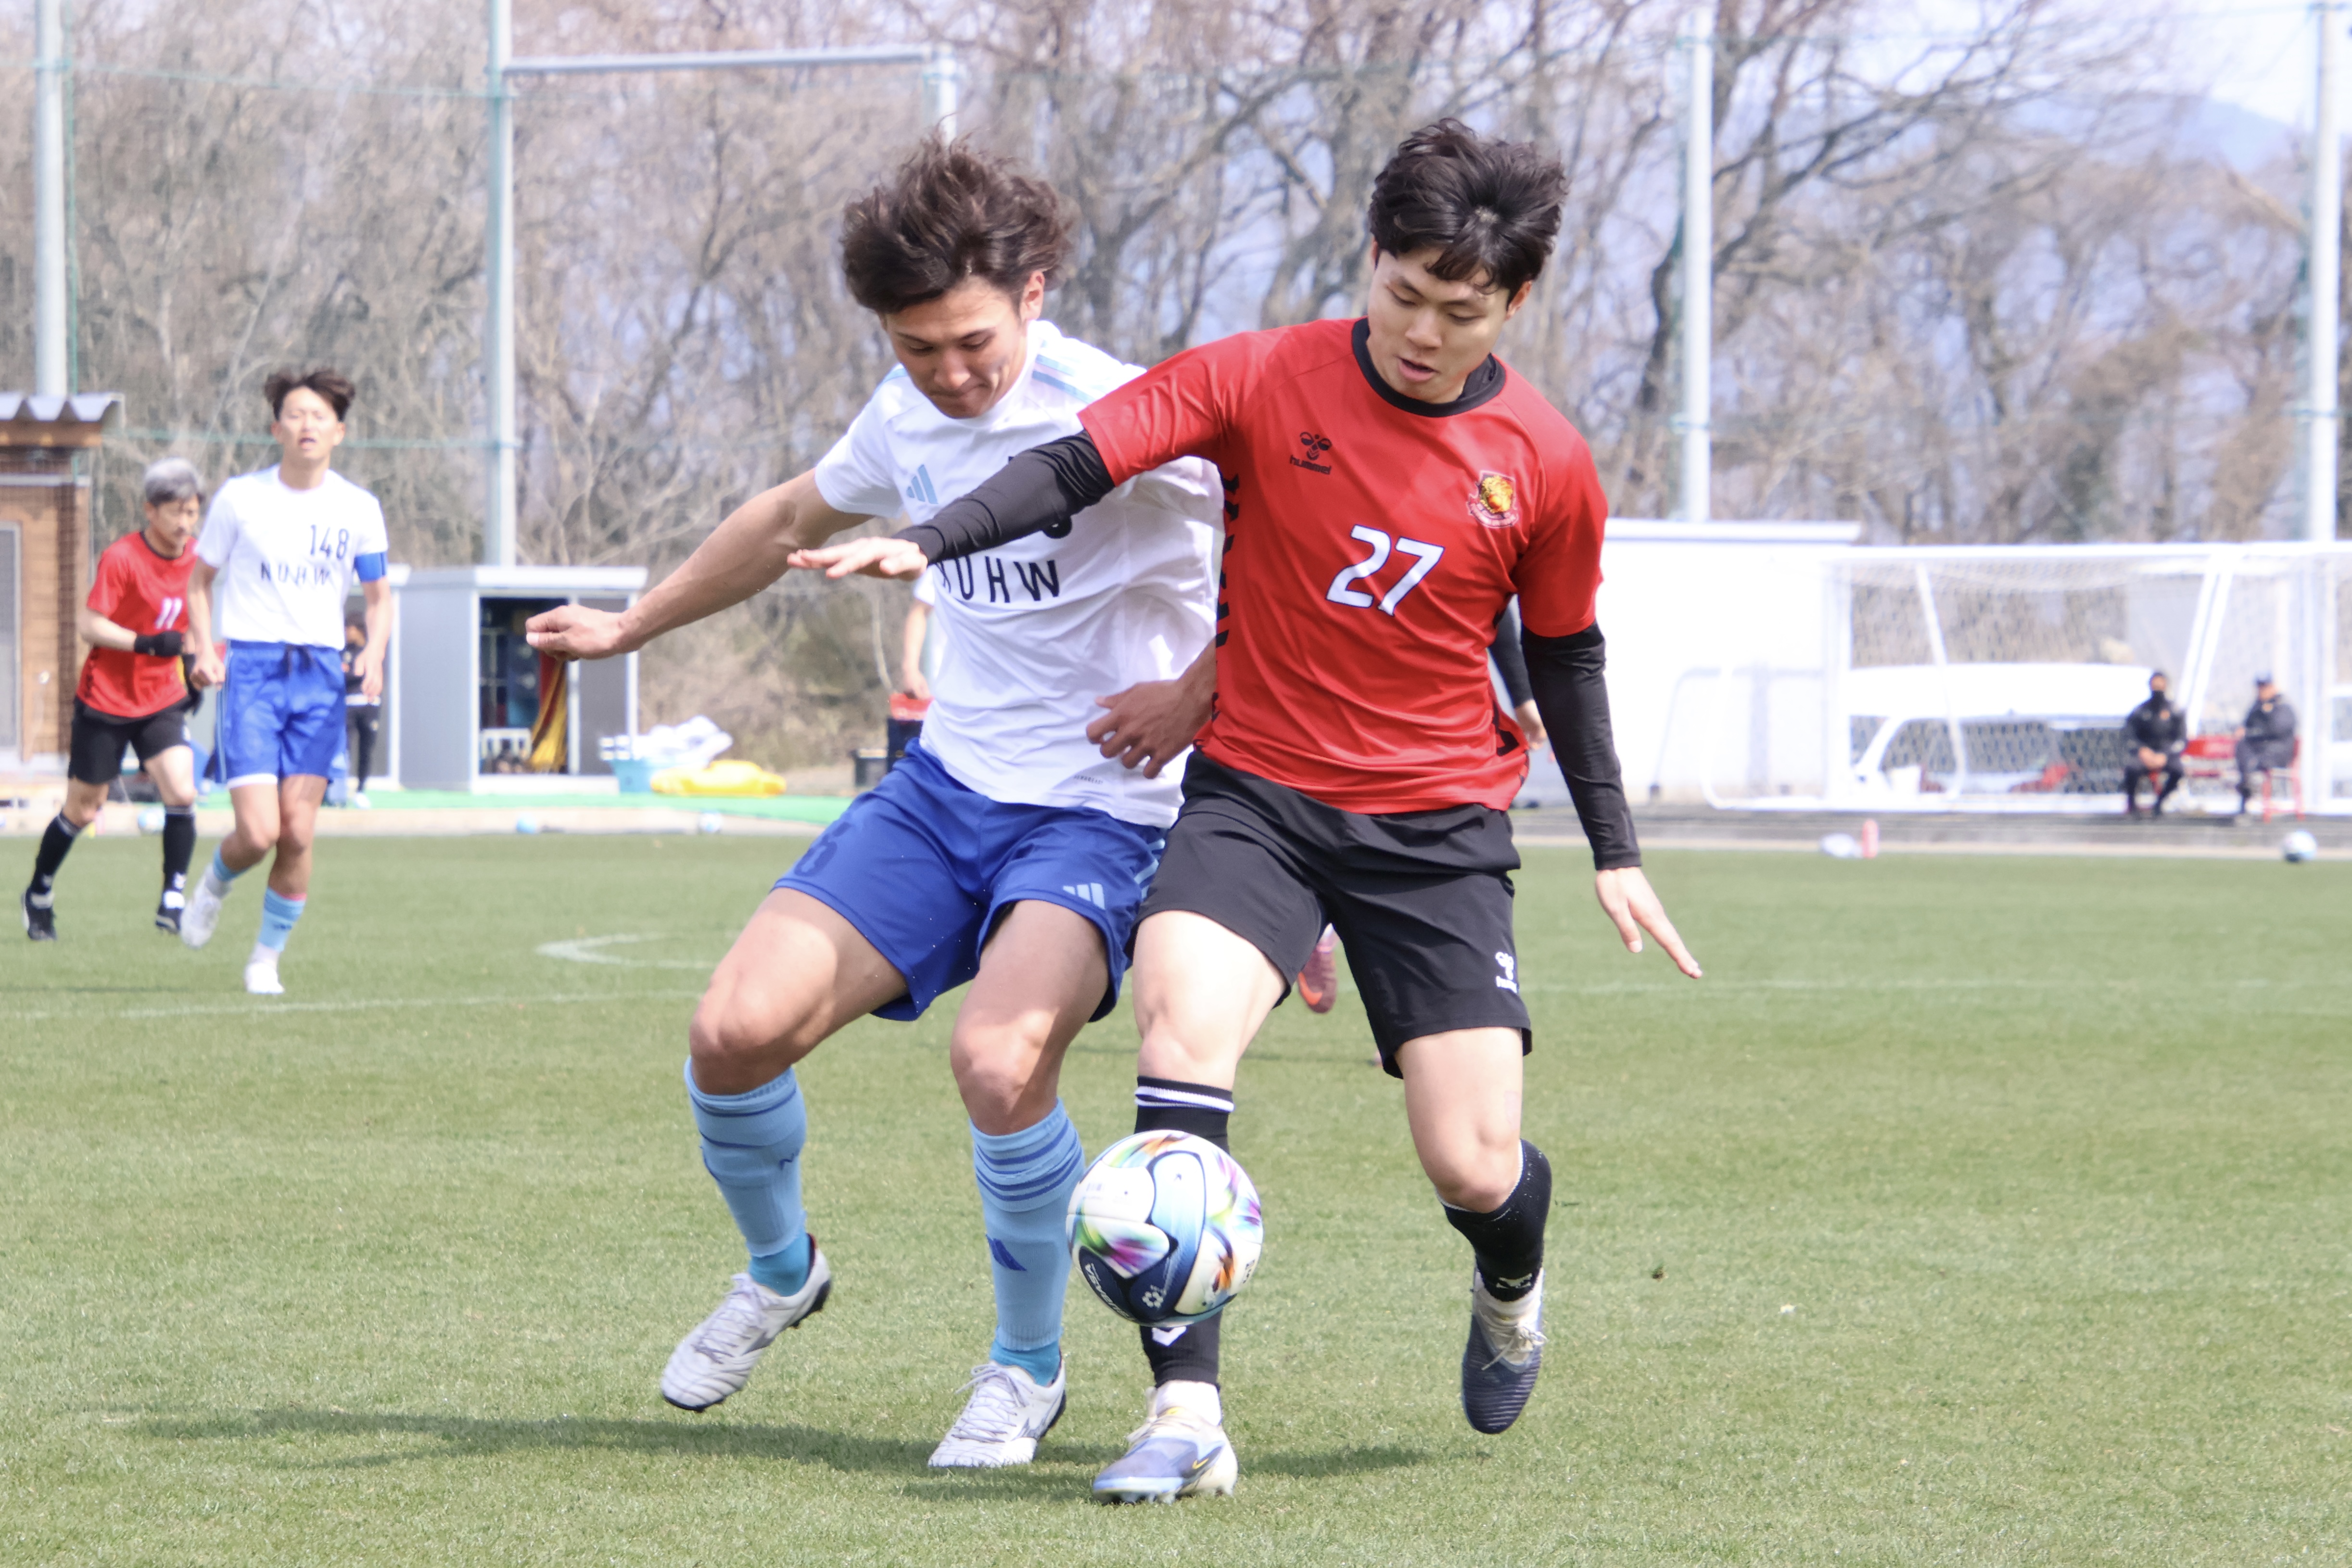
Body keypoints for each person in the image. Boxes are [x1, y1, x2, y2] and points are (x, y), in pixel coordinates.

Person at [797, 118, 1701, 1504]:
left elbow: (1566, 653)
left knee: (1472, 1161)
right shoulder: (1264, 376)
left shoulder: (1545, 460)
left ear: (1514, 303)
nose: (1422, 332)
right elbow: (1077, 462)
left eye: (1460, 313)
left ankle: (1511, 1280)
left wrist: (1614, 848)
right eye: (1403, 293)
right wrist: (928, 538)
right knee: (1179, 1034)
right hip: (1255, 799)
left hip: (1433, 832)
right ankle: (1185, 1410)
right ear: (1371, 259)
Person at [523, 138, 1222, 1469]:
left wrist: (1201, 690)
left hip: (1101, 807)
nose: (949, 375)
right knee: (732, 1032)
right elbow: (787, 514)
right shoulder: (904, 415)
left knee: (1000, 1064)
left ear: (1033, 292)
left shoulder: (1126, 411)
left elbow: (1290, 555)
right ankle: (782, 1271)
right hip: (946, 789)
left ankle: (1025, 1369)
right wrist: (630, 626)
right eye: (916, 348)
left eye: (971, 342)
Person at [179, 368, 392, 994]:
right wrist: (204, 647)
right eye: (295, 414)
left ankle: (265, 960)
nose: (307, 425)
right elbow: (199, 581)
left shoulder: (359, 508)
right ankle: (214, 883)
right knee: (259, 832)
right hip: (253, 672)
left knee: (298, 832)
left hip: (321, 676)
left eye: (319, 416)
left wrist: (375, 653)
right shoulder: (241, 499)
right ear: (276, 428)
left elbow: (379, 597)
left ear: (338, 432)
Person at [21, 458, 209, 940]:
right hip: (106, 698)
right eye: (175, 511)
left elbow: (196, 615)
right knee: (85, 809)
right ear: (150, 510)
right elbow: (89, 624)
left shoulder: (198, 558)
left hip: (161, 697)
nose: (185, 522)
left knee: (182, 791)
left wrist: (197, 664)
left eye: (192, 512)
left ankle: (173, 897)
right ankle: (39, 891)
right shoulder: (123, 557)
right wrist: (146, 643)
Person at [2122, 671, 2185, 817]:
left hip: (2166, 754)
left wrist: (2166, 754)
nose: (2158, 689)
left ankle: (2159, 804)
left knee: (2178, 771)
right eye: (2155, 685)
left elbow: (2181, 739)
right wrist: (2142, 751)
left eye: (2160, 685)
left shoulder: (2175, 712)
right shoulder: (2140, 711)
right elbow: (2129, 735)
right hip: (2145, 753)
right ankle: (2132, 806)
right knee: (2132, 769)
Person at [2234, 676, 2298, 815]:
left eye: (2265, 688)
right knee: (2243, 748)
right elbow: (2246, 726)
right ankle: (2248, 785)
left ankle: (2250, 783)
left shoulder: (2282, 707)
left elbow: (2277, 730)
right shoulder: (2256, 708)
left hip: (2277, 752)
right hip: (2257, 752)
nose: (2262, 692)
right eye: (2260, 688)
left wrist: (2254, 732)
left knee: (2254, 760)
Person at [342, 619, 381, 807]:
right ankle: (339, 790)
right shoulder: (343, 652)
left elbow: (370, 674)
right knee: (345, 749)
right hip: (349, 707)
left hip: (370, 707)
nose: (347, 632)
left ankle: (361, 791)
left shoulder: (371, 651)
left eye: (350, 628)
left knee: (366, 750)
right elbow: (344, 676)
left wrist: (354, 673)